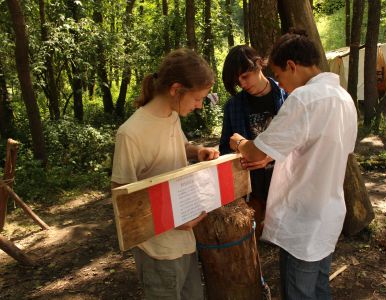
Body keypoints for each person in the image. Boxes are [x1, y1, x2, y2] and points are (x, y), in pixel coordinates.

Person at [229, 30, 358, 299]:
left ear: (291, 66)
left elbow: (255, 152)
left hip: (303, 220)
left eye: (280, 76)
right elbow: (316, 149)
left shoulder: (303, 99)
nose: (282, 85)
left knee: (298, 292)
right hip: (328, 214)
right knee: (320, 288)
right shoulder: (344, 99)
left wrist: (240, 142)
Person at [111, 48, 219, 300]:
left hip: (185, 242)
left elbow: (177, 146)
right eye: (196, 98)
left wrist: (197, 151)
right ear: (175, 89)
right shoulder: (130, 133)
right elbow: (122, 200)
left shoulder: (172, 115)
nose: (199, 105)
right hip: (158, 251)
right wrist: (170, 220)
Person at [219, 45, 288, 238]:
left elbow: (301, 146)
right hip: (253, 189)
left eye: (245, 77)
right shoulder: (233, 106)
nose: (242, 84)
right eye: (237, 81)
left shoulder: (287, 97)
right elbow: (224, 147)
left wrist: (270, 157)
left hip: (285, 187)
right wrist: (237, 153)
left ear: (258, 65)